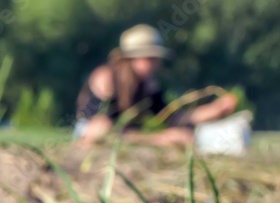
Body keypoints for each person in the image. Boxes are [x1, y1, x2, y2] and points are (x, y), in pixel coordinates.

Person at [74, 24, 238, 147]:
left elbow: (170, 118)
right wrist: (160, 139)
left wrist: (215, 110)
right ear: (131, 58)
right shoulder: (106, 78)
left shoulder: (149, 86)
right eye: (149, 58)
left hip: (126, 139)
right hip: (92, 135)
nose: (156, 63)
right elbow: (99, 129)